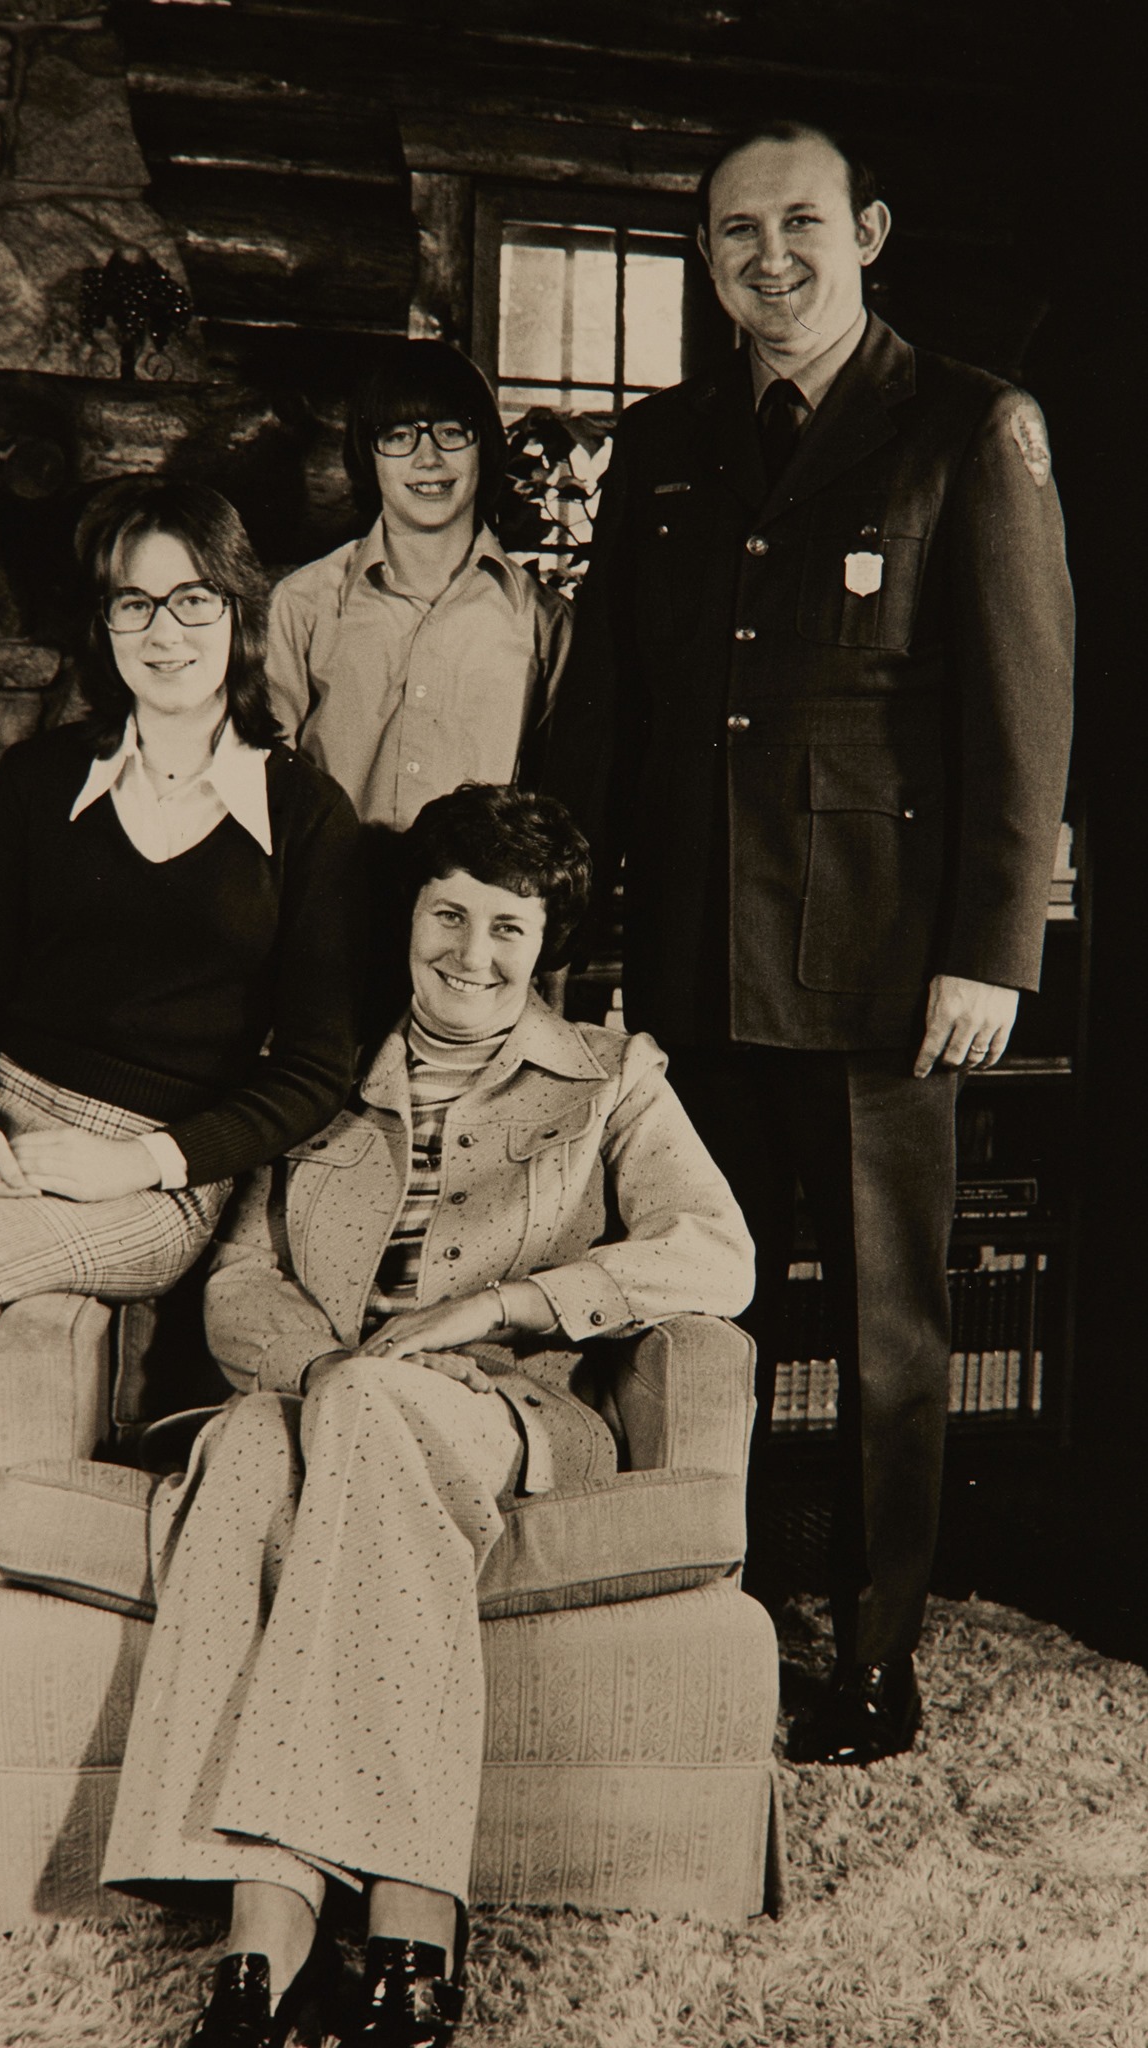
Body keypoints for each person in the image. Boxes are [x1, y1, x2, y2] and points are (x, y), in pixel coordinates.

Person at [542, 120, 1074, 1766]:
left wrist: (986, 954)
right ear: (702, 257)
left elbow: (1018, 709)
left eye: (796, 224)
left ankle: (874, 1646)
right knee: (693, 1302)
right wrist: (570, 926)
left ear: (867, 231)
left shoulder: (967, 428)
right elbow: (607, 713)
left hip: (872, 972)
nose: (765, 256)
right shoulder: (664, 444)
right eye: (729, 233)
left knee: (882, 1328)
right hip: (692, 964)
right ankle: (689, 1596)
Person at [101, 782, 753, 2048]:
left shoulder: (611, 1079)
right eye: (448, 916)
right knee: (243, 1442)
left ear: (544, 942)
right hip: (321, 1395)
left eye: (506, 928)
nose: (471, 954)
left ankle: (306, 1936)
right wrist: (325, 1370)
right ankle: (345, 1957)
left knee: (349, 1423)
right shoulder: (316, 1074)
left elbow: (713, 1253)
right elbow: (241, 1277)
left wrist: (500, 1306)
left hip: (499, 1408)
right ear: (405, 921)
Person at [0, 478, 360, 1824]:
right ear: (102, 626)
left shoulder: (306, 815)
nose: (163, 632)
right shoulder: (43, 776)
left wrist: (153, 1162)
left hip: (146, 1171)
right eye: (133, 603)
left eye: (190, 601)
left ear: (236, 618)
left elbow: (315, 1073)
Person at [263, 337, 571, 832]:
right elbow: (265, 781)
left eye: (452, 432)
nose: (428, 458)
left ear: (484, 446)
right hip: (330, 899)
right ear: (369, 453)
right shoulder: (304, 604)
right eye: (399, 435)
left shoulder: (542, 621)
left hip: (476, 902)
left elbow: (556, 802)